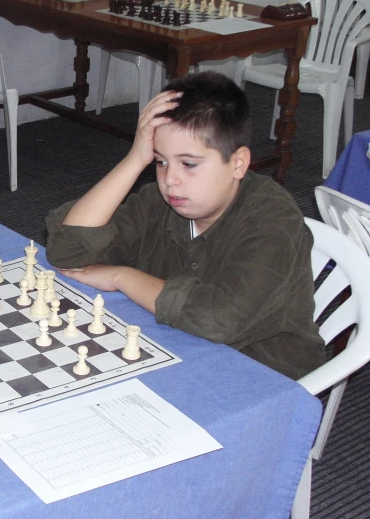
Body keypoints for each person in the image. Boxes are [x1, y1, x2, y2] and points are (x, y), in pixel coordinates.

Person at [45, 72, 324, 380]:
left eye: (189, 164)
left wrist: (121, 276)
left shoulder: (273, 219)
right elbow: (67, 251)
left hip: (261, 374)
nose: (170, 180)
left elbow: (219, 319)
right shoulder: (159, 202)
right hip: (174, 348)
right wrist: (135, 161)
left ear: (238, 163)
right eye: (161, 161)